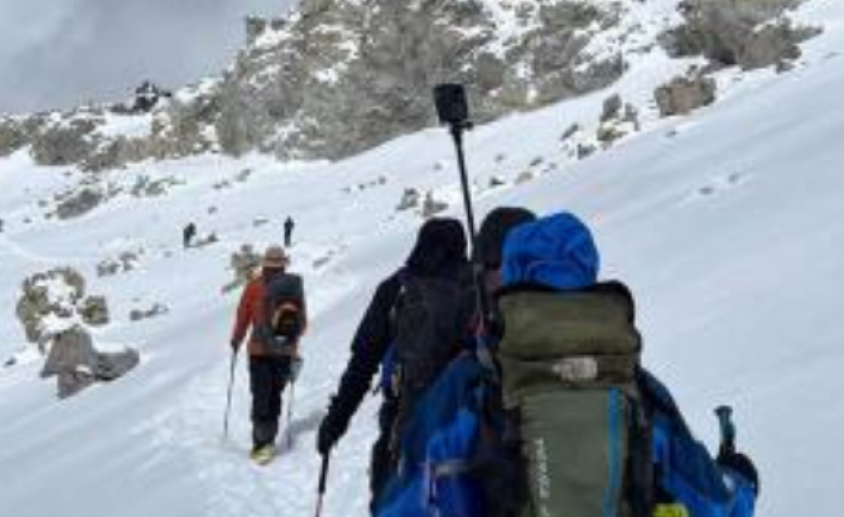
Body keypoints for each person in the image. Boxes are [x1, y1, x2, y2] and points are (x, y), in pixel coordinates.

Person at [377, 212, 759, 517]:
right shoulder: (633, 386)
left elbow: (398, 505)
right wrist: (740, 477)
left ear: (511, 281)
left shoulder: (468, 388)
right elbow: (718, 504)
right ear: (586, 274)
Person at [316, 217, 472, 512]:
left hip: (403, 423)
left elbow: (363, 361)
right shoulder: (476, 288)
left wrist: (336, 421)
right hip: (468, 425)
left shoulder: (396, 288)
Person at [230, 245, 307, 462]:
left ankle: (261, 443)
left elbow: (243, 315)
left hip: (259, 350)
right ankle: (268, 440)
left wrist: (236, 339)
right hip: (285, 351)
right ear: (284, 264)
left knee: (261, 394)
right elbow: (302, 324)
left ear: (265, 263)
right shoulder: (293, 286)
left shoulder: (254, 286)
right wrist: (290, 343)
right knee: (275, 395)